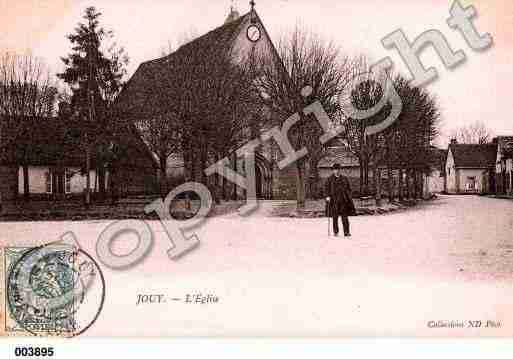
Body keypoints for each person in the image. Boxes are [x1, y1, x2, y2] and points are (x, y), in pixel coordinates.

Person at [325, 163, 356, 237]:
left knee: (345, 217)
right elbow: (326, 189)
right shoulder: (329, 179)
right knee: (335, 217)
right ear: (333, 171)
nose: (337, 171)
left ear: (340, 170)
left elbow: (349, 188)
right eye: (335, 170)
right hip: (334, 201)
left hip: (343, 201)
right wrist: (327, 196)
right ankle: (336, 232)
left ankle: (346, 232)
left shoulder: (344, 178)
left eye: (338, 169)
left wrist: (348, 195)